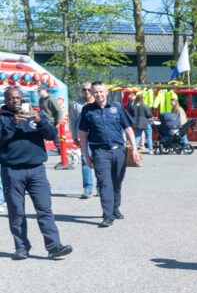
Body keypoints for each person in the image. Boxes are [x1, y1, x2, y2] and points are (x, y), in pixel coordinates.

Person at [0, 86, 73, 260]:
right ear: (6, 100)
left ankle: (54, 246)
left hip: (36, 170)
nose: (15, 101)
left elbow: (52, 135)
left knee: (44, 209)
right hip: (12, 170)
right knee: (16, 211)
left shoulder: (36, 114)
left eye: (18, 98)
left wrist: (40, 120)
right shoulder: (2, 118)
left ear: (23, 98)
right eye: (11, 98)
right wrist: (12, 124)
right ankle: (21, 247)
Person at [77, 82, 139, 228]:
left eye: (101, 92)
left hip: (119, 151)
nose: (98, 95)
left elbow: (128, 128)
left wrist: (135, 149)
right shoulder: (87, 110)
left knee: (117, 182)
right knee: (105, 184)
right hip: (100, 152)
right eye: (95, 92)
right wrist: (86, 156)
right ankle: (107, 215)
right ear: (92, 93)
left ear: (107, 92)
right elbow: (83, 135)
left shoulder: (117, 108)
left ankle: (115, 208)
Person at [70, 83, 95, 199]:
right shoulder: (75, 104)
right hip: (83, 135)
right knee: (85, 161)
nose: (87, 92)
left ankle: (101, 186)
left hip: (98, 135)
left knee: (100, 161)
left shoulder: (99, 101)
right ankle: (88, 188)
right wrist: (74, 136)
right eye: (84, 90)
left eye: (89, 90)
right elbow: (73, 121)